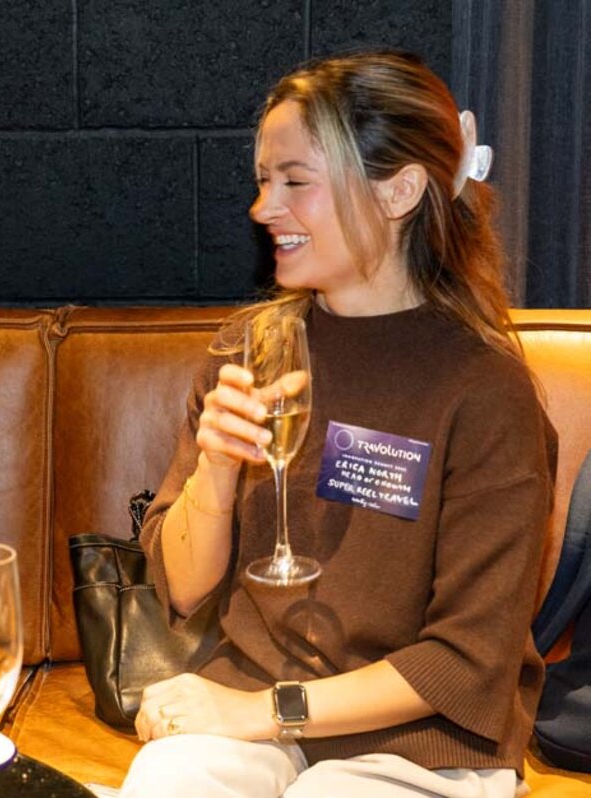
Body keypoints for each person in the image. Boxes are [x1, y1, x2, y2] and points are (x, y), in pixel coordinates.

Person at [121, 51, 555, 797]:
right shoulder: (250, 351)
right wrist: (215, 473)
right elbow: (182, 592)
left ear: (399, 191)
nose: (264, 208)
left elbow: (464, 661)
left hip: (422, 744)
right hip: (255, 712)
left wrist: (266, 710)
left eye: (295, 181)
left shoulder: (486, 391)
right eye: (263, 180)